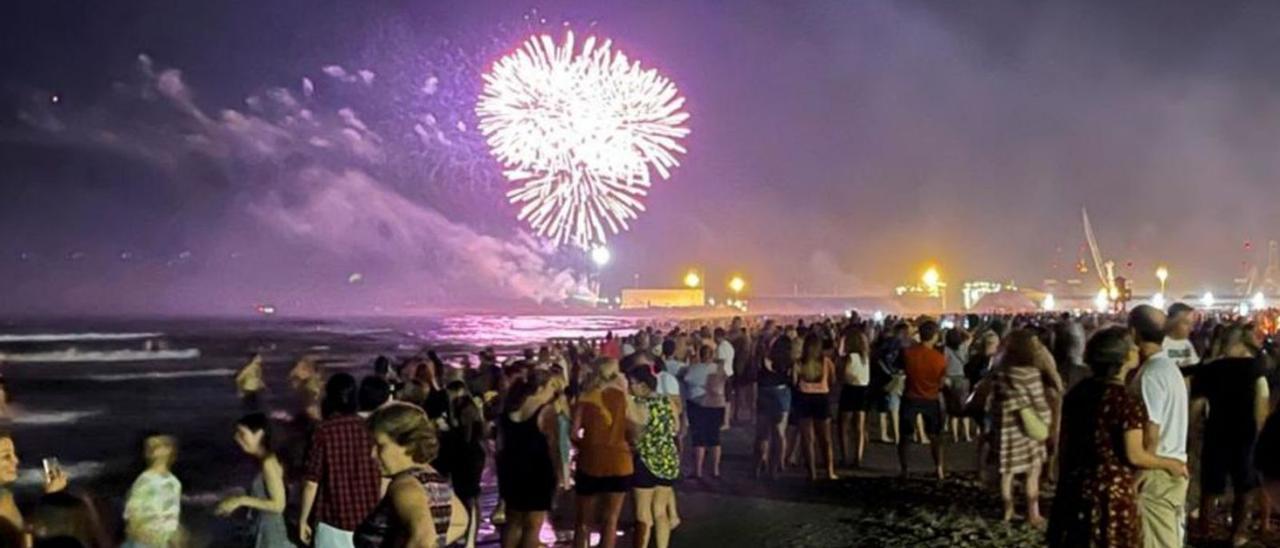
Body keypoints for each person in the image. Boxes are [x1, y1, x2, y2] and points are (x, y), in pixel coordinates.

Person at [1048, 327, 1190, 547]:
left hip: (1077, 483)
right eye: (1132, 347)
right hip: (1110, 493)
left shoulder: (1079, 392)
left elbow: (1064, 440)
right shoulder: (1124, 401)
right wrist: (1170, 463)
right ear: (1124, 357)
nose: (1137, 349)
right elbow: (1135, 455)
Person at [1187, 324, 1270, 545]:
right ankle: (1238, 534)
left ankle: (1204, 528)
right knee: (1244, 486)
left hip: (1217, 431)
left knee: (1210, 485)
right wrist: (1260, 432)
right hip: (1245, 434)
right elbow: (1262, 402)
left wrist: (1188, 432)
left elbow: (1197, 405)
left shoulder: (1210, 369)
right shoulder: (1255, 368)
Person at [354, 402, 467, 548]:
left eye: (380, 445)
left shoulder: (404, 486)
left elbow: (422, 538)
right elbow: (461, 521)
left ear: (407, 443)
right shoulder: (430, 477)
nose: (372, 454)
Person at [1128, 305, 1189, 548]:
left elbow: (1151, 432)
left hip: (1157, 471)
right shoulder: (1168, 369)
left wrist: (1139, 476)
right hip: (1171, 465)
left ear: (1133, 333)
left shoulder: (1151, 374)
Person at [300, 373, 383, 548]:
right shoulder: (371, 428)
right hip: (369, 520)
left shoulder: (323, 431)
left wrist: (303, 520)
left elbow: (311, 482)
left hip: (334, 521)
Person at [990, 330, 1052, 524]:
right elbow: (1039, 402)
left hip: (1006, 430)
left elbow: (994, 403)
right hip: (1027, 430)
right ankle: (1033, 513)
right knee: (1032, 472)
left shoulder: (999, 373)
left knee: (1007, 473)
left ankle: (1008, 510)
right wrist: (1046, 421)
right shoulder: (1030, 374)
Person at [573, 358, 636, 548]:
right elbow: (633, 428)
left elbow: (573, 432)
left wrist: (584, 445)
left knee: (583, 521)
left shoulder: (585, 397)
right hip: (620, 461)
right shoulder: (623, 397)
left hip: (591, 460)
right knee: (611, 519)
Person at [497, 372, 562, 548]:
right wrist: (560, 476)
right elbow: (554, 448)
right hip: (537, 471)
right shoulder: (546, 411)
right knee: (533, 526)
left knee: (514, 522)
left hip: (511, 470)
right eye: (552, 387)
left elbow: (499, 445)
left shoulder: (509, 407)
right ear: (540, 388)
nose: (555, 392)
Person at [216, 413, 294, 547]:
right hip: (262, 529)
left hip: (271, 533)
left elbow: (279, 505)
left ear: (259, 434)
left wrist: (240, 501)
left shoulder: (268, 463)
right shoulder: (261, 461)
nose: (237, 438)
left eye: (242, 434)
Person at [627, 367, 680, 548]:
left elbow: (635, 436)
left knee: (643, 516)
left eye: (631, 383)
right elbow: (676, 428)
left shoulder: (638, 405)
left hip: (646, 461)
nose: (629, 386)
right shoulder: (668, 402)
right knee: (660, 511)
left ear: (642, 386)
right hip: (668, 460)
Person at [898, 320, 947, 479]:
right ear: (934, 336)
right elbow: (941, 381)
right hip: (931, 398)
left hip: (911, 396)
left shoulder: (908, 353)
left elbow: (899, 368)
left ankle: (905, 468)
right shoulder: (939, 358)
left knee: (905, 436)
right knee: (935, 436)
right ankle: (938, 467)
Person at [439, 380, 485, 547]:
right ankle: (469, 533)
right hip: (467, 456)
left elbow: (466, 436)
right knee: (466, 496)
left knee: (469, 496)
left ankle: (470, 534)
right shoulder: (464, 406)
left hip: (469, 457)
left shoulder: (466, 409)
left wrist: (449, 429)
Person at [123, 434, 183, 548]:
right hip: (144, 541)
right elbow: (132, 514)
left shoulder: (174, 482)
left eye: (164, 445)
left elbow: (173, 515)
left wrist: (175, 536)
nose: (159, 449)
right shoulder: (145, 480)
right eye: (154, 446)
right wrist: (144, 535)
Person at [793, 333, 837, 481]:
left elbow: (794, 381)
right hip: (821, 398)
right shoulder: (826, 362)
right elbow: (833, 380)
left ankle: (812, 473)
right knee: (825, 439)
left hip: (804, 398)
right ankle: (829, 471)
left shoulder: (799, 362)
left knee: (807, 439)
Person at [679, 345, 728, 479]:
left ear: (700, 355)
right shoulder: (719, 369)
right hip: (717, 404)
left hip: (697, 404)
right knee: (714, 438)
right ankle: (715, 470)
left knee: (699, 439)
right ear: (712, 355)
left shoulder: (694, 368)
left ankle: (698, 471)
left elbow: (686, 379)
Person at [754, 333, 793, 479]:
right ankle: (775, 468)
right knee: (779, 434)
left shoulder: (763, 360)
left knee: (762, 434)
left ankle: (757, 467)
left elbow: (757, 376)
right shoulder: (789, 362)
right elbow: (793, 380)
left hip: (764, 393)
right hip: (781, 393)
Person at [837, 324, 871, 467]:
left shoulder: (849, 357)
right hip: (863, 390)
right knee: (859, 426)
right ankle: (858, 456)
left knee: (844, 426)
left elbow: (842, 375)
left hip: (849, 390)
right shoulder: (865, 358)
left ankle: (845, 456)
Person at [943, 329, 973, 443]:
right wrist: (962, 330)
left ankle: (954, 435)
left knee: (952, 408)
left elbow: (944, 364)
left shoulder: (945, 349)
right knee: (964, 408)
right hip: (961, 378)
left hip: (949, 379)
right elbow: (970, 337)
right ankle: (967, 434)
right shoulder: (963, 346)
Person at [1163, 302, 1201, 368]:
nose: (1191, 329)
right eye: (1186, 323)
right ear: (1172, 322)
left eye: (1192, 324)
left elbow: (1194, 364)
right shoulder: (1161, 343)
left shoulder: (1187, 343)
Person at [714, 328, 735, 430]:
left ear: (717, 336)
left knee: (724, 400)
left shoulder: (721, 347)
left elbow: (721, 363)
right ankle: (727, 420)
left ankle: (725, 422)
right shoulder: (729, 346)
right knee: (727, 399)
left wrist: (718, 376)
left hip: (724, 375)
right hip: (730, 373)